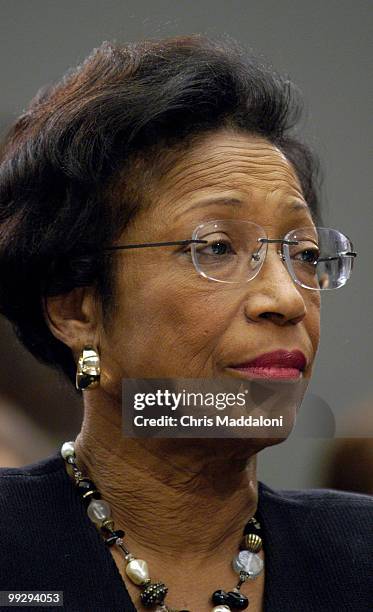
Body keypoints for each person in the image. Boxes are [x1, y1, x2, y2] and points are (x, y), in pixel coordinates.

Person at [0, 34, 371, 612]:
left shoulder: (359, 554)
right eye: (218, 247)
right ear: (76, 308)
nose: (287, 299)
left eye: (301, 253)